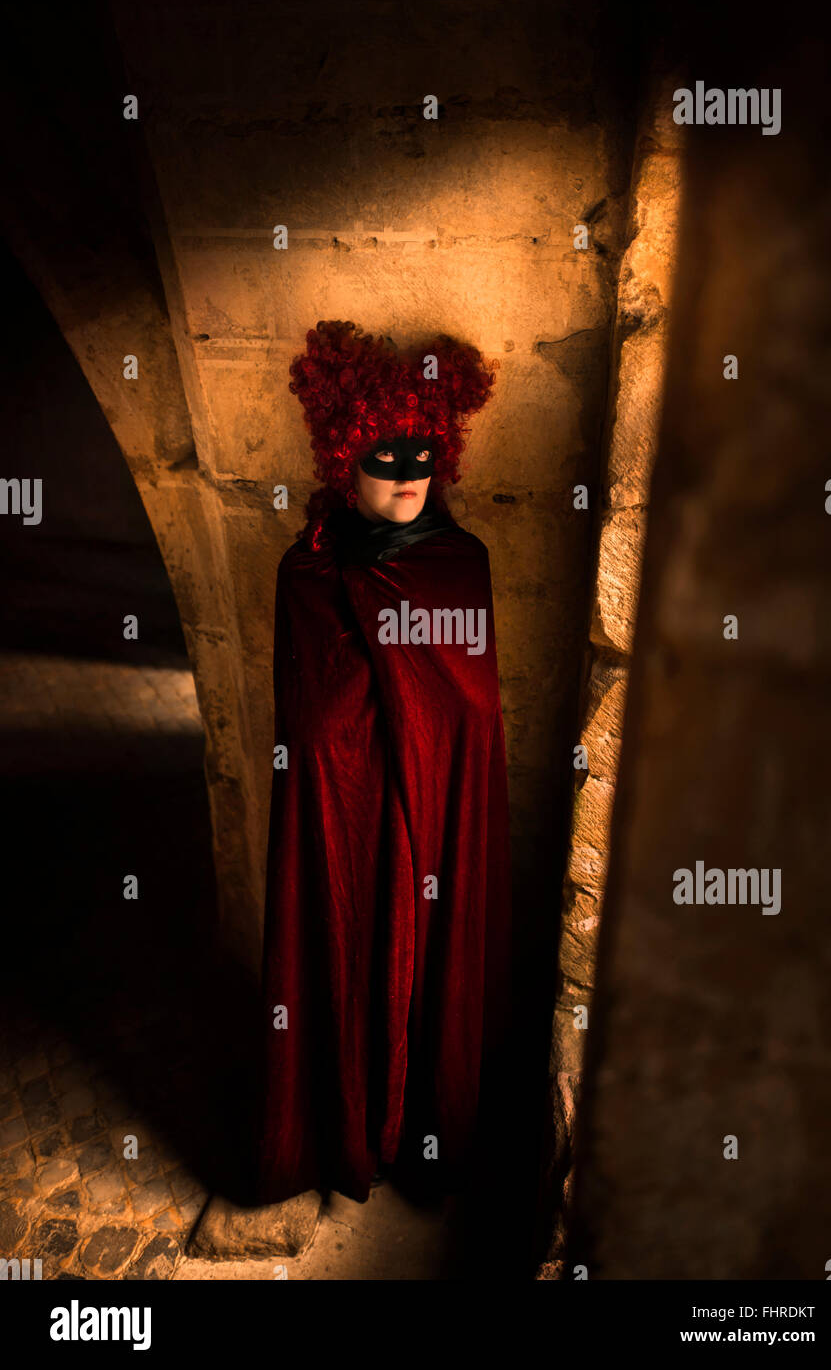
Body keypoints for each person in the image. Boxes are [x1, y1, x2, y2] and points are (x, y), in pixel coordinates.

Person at [255, 320, 512, 1206]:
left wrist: (423, 742)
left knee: (426, 965)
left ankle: (427, 1130)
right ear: (341, 459)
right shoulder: (306, 575)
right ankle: (344, 1129)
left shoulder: (455, 566)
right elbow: (311, 721)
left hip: (433, 826)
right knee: (346, 953)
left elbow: (471, 714)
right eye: (383, 456)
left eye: (421, 456)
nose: (406, 477)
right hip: (347, 821)